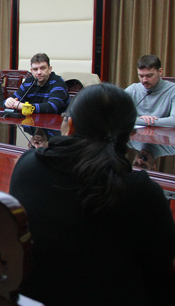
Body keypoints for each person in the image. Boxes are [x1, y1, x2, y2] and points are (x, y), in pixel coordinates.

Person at [9, 83, 175, 306]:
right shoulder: (142, 191)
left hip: (29, 298)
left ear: (70, 126)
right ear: (131, 134)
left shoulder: (28, 164)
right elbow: (161, 263)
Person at [125, 55, 175, 127]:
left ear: (160, 72)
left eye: (149, 76)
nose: (144, 80)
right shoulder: (133, 89)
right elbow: (114, 115)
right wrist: (141, 120)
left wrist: (142, 121)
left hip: (161, 133)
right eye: (141, 76)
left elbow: (173, 121)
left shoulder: (172, 90)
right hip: (136, 133)